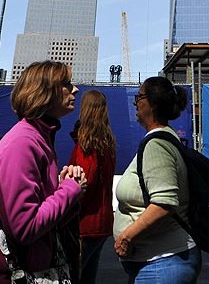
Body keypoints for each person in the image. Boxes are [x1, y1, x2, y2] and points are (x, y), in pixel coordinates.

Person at [0, 61, 87, 283]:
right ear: (44, 92)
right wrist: (69, 189)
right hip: (1, 274)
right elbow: (25, 226)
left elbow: (42, 216)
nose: (75, 89)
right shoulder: (23, 142)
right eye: (66, 84)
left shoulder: (39, 139)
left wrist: (65, 188)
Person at [113, 76, 201, 283]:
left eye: (139, 96)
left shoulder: (156, 145)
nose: (135, 102)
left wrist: (126, 237)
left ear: (151, 103)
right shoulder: (164, 138)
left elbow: (164, 202)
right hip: (157, 262)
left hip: (162, 264)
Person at [68, 90, 116, 284]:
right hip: (102, 223)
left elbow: (83, 186)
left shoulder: (86, 147)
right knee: (88, 277)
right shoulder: (108, 144)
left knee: (73, 277)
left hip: (84, 225)